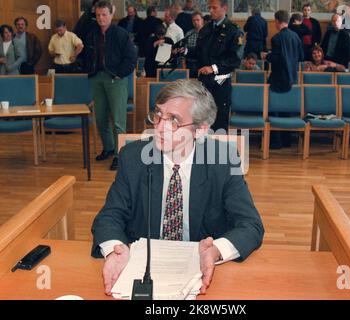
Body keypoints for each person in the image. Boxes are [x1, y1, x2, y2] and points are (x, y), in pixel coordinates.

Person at [91, 79, 265, 296]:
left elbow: (250, 225)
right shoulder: (133, 157)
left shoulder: (223, 160)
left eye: (174, 120)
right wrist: (115, 250)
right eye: (158, 115)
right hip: (143, 269)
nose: (161, 128)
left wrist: (216, 251)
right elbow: (109, 217)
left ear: (200, 130)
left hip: (200, 274)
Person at [84, 0, 137, 171]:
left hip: (116, 80)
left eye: (104, 14)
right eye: (98, 15)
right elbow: (86, 55)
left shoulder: (121, 34)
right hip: (97, 79)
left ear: (111, 14)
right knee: (100, 118)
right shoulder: (92, 34)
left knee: (118, 121)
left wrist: (119, 74)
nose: (101, 18)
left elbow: (131, 58)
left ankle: (119, 154)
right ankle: (108, 148)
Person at [196, 0, 242, 132]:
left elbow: (235, 59)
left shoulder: (233, 30)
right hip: (204, 81)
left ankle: (219, 151)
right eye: (209, 7)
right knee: (202, 118)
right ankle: (202, 150)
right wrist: (185, 51)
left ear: (224, 8)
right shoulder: (206, 29)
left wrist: (214, 68)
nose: (210, 11)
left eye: (214, 8)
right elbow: (200, 52)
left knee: (219, 120)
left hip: (220, 81)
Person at [261, 10, 303, 93]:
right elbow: (301, 57)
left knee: (269, 97)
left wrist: (267, 56)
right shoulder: (296, 36)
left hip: (279, 79)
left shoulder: (276, 38)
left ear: (277, 21)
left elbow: (275, 58)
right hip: (293, 78)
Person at [184, 11, 204, 78]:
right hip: (190, 64)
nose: (196, 22)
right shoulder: (188, 34)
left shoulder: (208, 33)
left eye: (198, 20)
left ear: (202, 20)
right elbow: (185, 49)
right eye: (194, 20)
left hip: (203, 64)